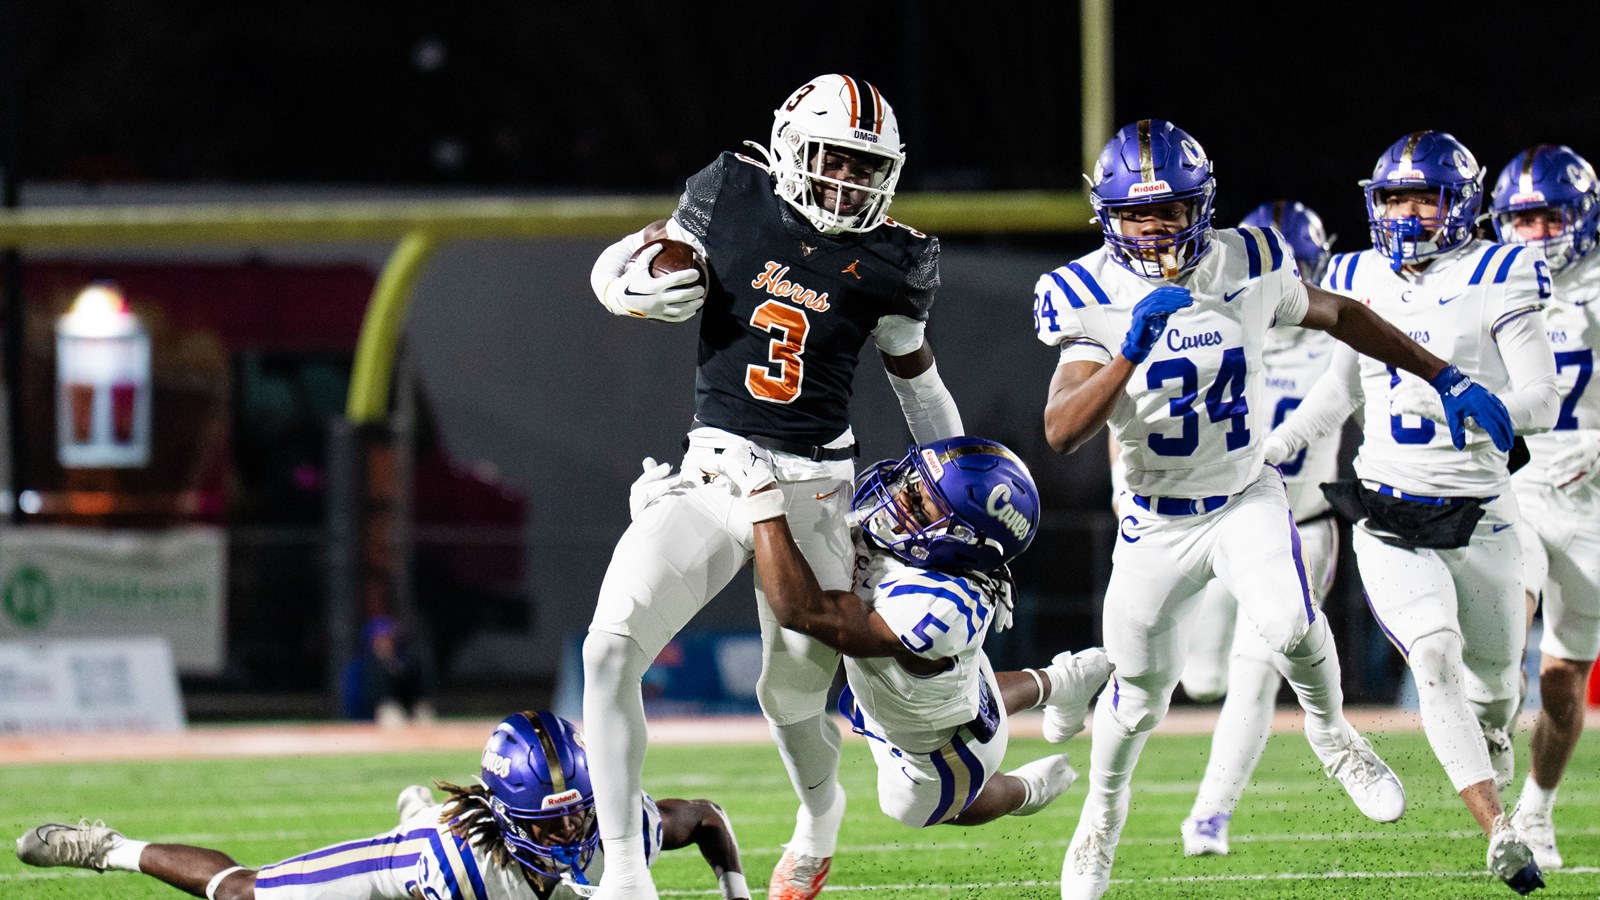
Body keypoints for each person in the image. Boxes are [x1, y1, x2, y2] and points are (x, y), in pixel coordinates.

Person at [1034, 120, 1516, 900]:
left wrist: (1443, 376)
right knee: (1140, 695)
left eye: (1172, 211)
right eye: (1135, 215)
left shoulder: (1246, 258)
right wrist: (1129, 348)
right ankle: (1100, 821)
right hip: (1155, 520)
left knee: (1292, 623)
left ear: (1205, 206)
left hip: (1243, 494)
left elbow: (1344, 316)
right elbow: (1060, 431)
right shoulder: (1085, 292)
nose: (1155, 230)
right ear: (1106, 217)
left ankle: (1333, 733)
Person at [581, 74, 964, 900]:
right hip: (716, 466)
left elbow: (918, 385)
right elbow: (628, 260)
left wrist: (961, 489)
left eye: (867, 168)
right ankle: (623, 875)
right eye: (834, 158)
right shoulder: (730, 192)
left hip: (814, 487)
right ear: (792, 146)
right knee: (608, 651)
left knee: (789, 694)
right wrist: (620, 284)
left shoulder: (895, 259)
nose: (848, 181)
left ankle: (819, 818)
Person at [1268, 130, 1559, 895]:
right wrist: (1283, 441)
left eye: (1420, 197)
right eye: (1392, 197)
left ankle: (1493, 742)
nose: (1402, 212)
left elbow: (1543, 396)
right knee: (1432, 656)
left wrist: (1488, 407)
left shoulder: (1502, 271)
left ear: (1458, 204)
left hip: (1483, 512)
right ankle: (1501, 829)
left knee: (1496, 687)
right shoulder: (1358, 270)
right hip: (1390, 505)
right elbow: (1340, 389)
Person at [702, 434, 1114, 830]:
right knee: (970, 687)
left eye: (919, 501)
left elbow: (802, 610)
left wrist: (761, 496)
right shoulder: (933, 553)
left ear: (963, 540)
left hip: (942, 755)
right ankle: (1063, 680)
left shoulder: (938, 604)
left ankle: (1026, 790)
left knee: (910, 806)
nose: (901, 495)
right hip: (941, 693)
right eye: (912, 480)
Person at [14, 710, 751, 900]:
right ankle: (107, 846)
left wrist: (736, 892)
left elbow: (710, 817)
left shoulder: (618, 827)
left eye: (577, 811)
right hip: (419, 862)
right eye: (548, 819)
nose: (571, 829)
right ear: (505, 814)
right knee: (245, 892)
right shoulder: (455, 866)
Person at [1173, 200, 1344, 857]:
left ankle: (1210, 815)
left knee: (1256, 669)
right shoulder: (1219, 325)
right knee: (1204, 679)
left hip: (1302, 527)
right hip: (1226, 526)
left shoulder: (1335, 336)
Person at [1488, 143, 1600, 872]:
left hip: (1589, 497)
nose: (1535, 233)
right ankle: (1491, 777)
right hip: (1519, 486)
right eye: (1521, 219)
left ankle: (1537, 807)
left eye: (1548, 217)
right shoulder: (1490, 285)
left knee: (1564, 679)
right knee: (1504, 630)